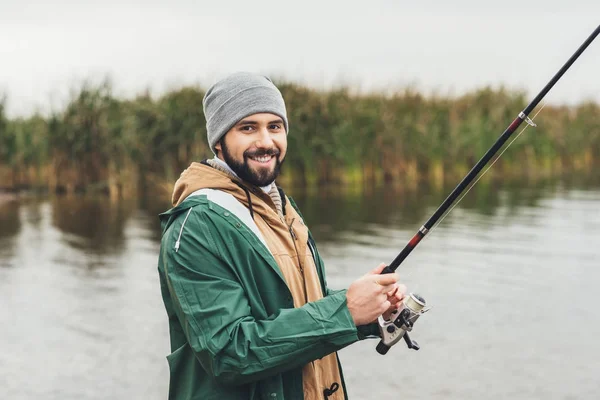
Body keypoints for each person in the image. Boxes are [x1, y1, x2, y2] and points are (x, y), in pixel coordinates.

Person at [157, 72, 406, 400]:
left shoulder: (282, 208)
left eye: (275, 126)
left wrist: (370, 312)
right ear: (218, 141)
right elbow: (229, 352)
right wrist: (343, 311)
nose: (265, 141)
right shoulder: (196, 227)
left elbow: (294, 306)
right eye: (248, 128)